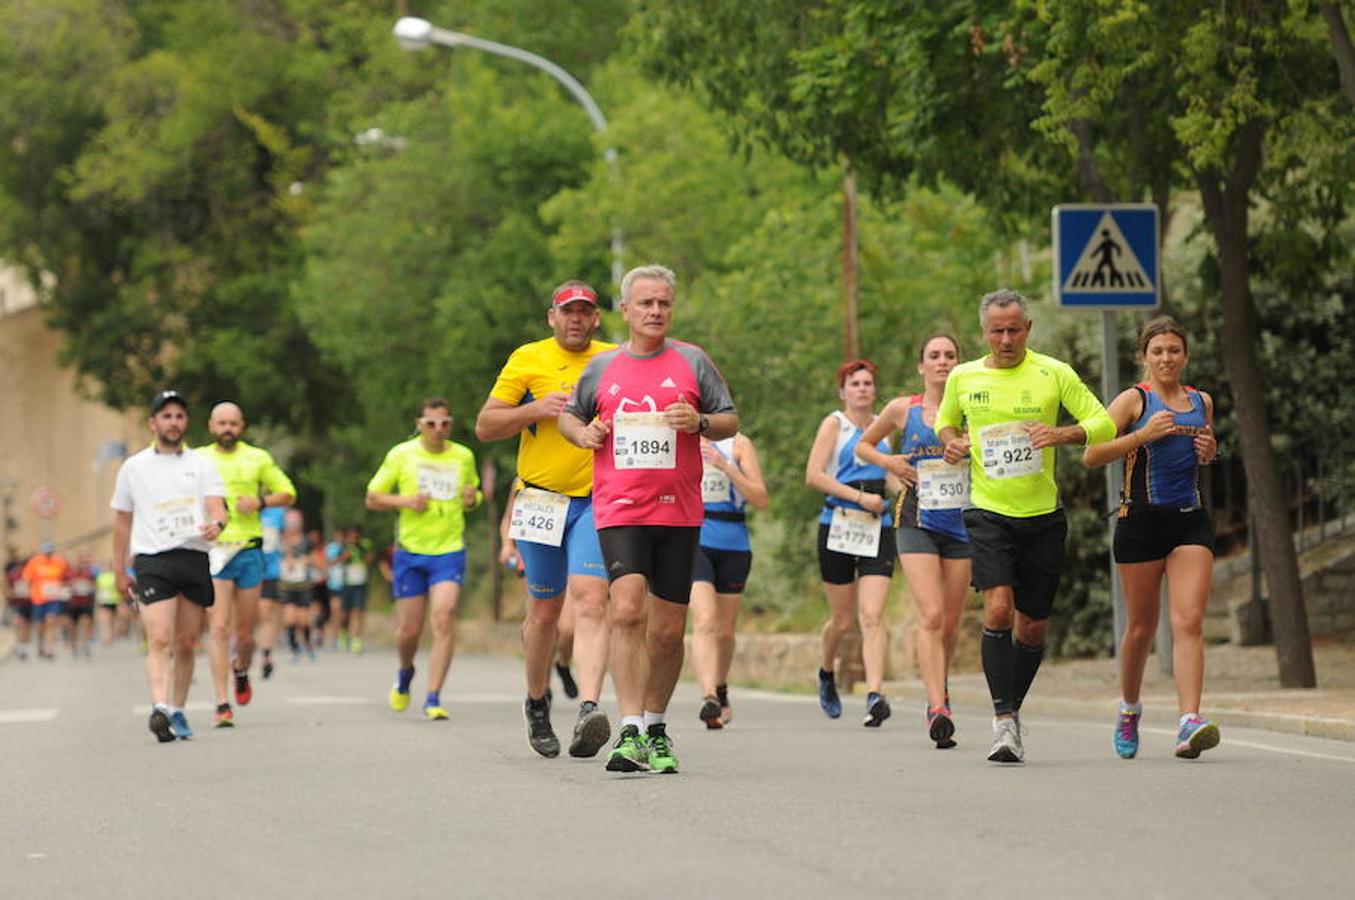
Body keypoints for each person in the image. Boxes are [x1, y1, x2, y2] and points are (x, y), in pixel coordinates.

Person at [560, 264, 738, 775]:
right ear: (626, 310)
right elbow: (570, 416)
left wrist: (700, 421)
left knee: (666, 630)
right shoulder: (602, 368)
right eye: (645, 303)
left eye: (663, 303)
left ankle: (656, 727)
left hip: (678, 510)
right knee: (628, 610)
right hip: (620, 507)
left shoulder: (692, 361)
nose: (655, 311)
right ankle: (630, 728)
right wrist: (585, 434)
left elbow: (729, 417)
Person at [937, 289, 1115, 763]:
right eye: (997, 330)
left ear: (1028, 329)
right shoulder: (963, 376)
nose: (1006, 338)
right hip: (987, 510)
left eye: (1015, 329)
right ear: (983, 333)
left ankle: (1012, 709)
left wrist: (1063, 434)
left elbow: (1104, 423)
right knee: (998, 610)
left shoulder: (1053, 373)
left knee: (1032, 627)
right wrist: (952, 443)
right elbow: (946, 424)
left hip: (1042, 516)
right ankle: (1003, 721)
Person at [475, 280, 617, 758]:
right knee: (544, 613)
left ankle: (590, 707)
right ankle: (537, 703)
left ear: (596, 318)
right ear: (551, 317)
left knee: (593, 600)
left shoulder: (614, 359)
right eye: (567, 311)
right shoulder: (527, 359)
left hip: (597, 499)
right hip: (540, 500)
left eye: (585, 311)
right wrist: (536, 408)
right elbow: (486, 424)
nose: (576, 319)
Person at [1084, 316, 1221, 760]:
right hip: (1139, 523)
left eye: (1174, 350)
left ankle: (1189, 721)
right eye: (1158, 351)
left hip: (1189, 521)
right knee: (1141, 629)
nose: (1166, 358)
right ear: (1144, 356)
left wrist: (1210, 450)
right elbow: (1091, 453)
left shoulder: (1201, 400)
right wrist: (1141, 435)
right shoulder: (1132, 400)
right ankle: (1129, 708)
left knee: (1189, 622)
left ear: (1186, 355)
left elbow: (1206, 445)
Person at [857, 335, 972, 748]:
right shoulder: (902, 410)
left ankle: (939, 685)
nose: (942, 362)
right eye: (934, 357)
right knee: (932, 615)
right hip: (915, 520)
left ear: (959, 364)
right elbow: (864, 445)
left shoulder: (973, 406)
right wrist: (891, 461)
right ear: (921, 366)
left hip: (962, 521)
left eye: (949, 356)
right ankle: (937, 705)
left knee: (952, 623)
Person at [110, 389, 227, 742]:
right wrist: (118, 569)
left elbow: (217, 505)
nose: (172, 422)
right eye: (166, 416)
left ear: (185, 422)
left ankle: (177, 708)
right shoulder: (134, 467)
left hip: (191, 556)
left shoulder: (201, 464)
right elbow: (121, 522)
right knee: (159, 638)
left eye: (178, 416)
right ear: (153, 422)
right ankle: (159, 707)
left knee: (187, 642)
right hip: (152, 560)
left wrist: (217, 524)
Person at [366, 397, 482, 721]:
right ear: (419, 424)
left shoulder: (463, 455)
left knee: (444, 618)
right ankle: (405, 672)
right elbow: (373, 496)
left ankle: (433, 697)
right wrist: (406, 500)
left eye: (445, 423)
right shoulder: (401, 454)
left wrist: (474, 498)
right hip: (411, 551)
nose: (438, 430)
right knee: (408, 631)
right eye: (431, 423)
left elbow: (472, 494)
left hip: (449, 549)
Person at [805, 359, 898, 727]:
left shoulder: (885, 428)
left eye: (867, 383)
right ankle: (827, 671)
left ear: (875, 390)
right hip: (840, 523)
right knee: (843, 620)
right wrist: (860, 499)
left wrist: (911, 488)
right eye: (854, 383)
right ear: (843, 391)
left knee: (872, 615)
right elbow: (813, 475)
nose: (862, 388)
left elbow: (891, 475)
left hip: (879, 525)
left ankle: (875, 694)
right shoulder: (834, 424)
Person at [196, 402, 297, 727]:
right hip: (215, 549)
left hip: (250, 549)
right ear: (212, 426)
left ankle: (241, 670)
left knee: (245, 634)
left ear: (242, 426)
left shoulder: (258, 458)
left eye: (233, 423)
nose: (227, 428)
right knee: (219, 627)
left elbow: (288, 492)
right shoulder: (198, 459)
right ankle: (221, 702)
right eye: (221, 423)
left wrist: (261, 502)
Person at [692, 432, 768, 728]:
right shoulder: (683, 439)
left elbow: (760, 498)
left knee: (724, 630)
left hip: (734, 543)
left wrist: (726, 467)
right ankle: (708, 695)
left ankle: (720, 687)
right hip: (695, 540)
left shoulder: (739, 444)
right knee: (705, 620)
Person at [22, 542, 69, 660]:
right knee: (40, 626)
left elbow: (66, 578)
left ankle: (50, 649)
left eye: (50, 551)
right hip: (38, 599)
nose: (48, 554)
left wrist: (63, 590)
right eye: (46, 551)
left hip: (53, 599)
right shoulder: (34, 562)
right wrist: (28, 591)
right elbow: (27, 578)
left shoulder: (60, 562)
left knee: (51, 621)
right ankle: (40, 645)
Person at [255, 504, 286, 677]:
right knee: (253, 616)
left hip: (271, 571)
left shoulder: (277, 512)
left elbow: (287, 538)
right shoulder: (239, 506)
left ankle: (266, 654)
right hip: (247, 568)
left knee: (266, 613)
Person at [339, 526, 374, 654]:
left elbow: (370, 558)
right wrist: (345, 556)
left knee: (359, 612)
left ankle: (357, 640)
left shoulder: (365, 545)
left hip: (360, 583)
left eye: (356, 536)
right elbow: (338, 560)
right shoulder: (344, 546)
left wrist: (365, 556)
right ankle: (343, 632)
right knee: (345, 614)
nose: (353, 538)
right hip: (348, 583)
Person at [65, 553, 98, 658]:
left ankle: (85, 644)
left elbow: (95, 585)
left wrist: (89, 585)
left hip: (86, 602)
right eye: (80, 561)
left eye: (84, 562)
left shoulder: (90, 573)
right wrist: (71, 585)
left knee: (85, 623)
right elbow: (63, 584)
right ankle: (73, 646)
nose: (81, 564)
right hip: (73, 603)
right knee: (72, 626)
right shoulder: (70, 573)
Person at [5, 552, 33, 661]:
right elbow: (8, 587)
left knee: (27, 627)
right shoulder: (14, 575)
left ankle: (24, 647)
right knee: (19, 625)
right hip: (17, 604)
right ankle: (19, 647)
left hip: (29, 604)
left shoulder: (32, 576)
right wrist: (11, 594)